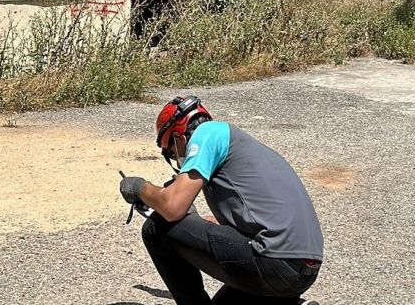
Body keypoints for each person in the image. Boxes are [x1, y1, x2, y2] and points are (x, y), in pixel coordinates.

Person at [119, 96, 324, 305]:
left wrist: (140, 188)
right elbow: (241, 227)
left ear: (179, 139)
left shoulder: (207, 134)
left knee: (157, 228)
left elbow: (172, 207)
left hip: (273, 260)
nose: (177, 160)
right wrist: (194, 221)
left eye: (171, 153)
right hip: (302, 270)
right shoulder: (242, 149)